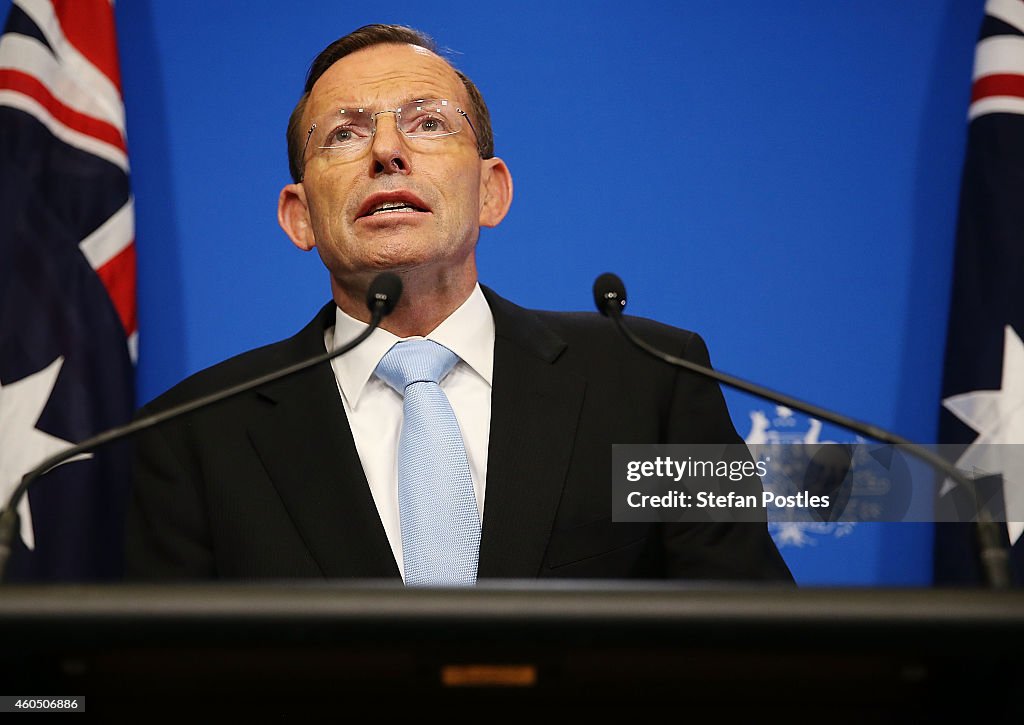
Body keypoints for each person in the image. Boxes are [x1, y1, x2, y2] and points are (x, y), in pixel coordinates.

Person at [125, 24, 792, 583]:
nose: (387, 151)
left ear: (491, 192)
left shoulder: (653, 385)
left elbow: (755, 639)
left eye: (428, 123)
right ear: (299, 216)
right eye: (344, 135)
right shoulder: (191, 436)